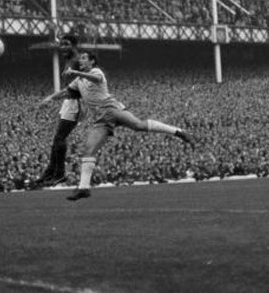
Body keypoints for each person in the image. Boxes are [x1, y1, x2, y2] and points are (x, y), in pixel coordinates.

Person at [40, 50, 196, 201]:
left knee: (138, 125)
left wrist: (76, 73)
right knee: (88, 150)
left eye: (84, 58)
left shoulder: (97, 72)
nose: (80, 60)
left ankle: (179, 132)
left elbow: (93, 79)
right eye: (80, 58)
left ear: (92, 61)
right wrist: (50, 98)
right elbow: (67, 92)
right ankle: (83, 188)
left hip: (112, 110)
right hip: (101, 120)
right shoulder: (78, 81)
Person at [34, 33, 82, 188]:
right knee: (57, 138)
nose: (63, 47)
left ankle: (59, 174)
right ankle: (51, 172)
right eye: (61, 44)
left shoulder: (78, 62)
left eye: (66, 44)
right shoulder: (69, 61)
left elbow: (76, 89)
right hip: (70, 101)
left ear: (74, 45)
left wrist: (51, 98)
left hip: (77, 102)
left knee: (60, 137)